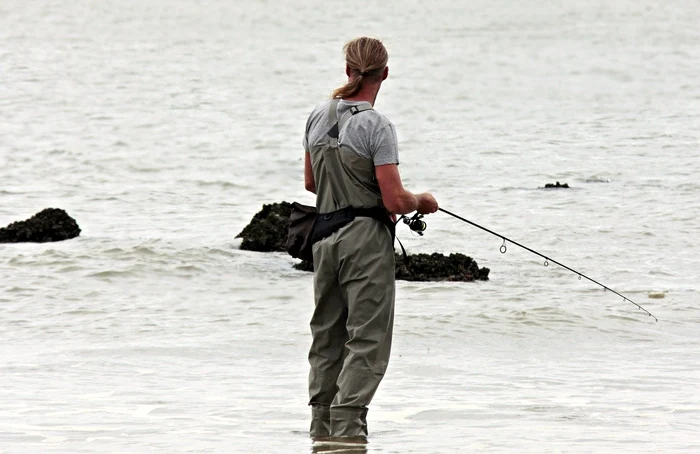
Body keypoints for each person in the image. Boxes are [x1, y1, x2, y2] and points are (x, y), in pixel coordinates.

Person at [302, 37, 439, 440]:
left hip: (323, 238)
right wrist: (424, 202)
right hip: (364, 240)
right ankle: (347, 430)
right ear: (385, 74)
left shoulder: (316, 115)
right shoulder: (376, 125)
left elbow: (312, 184)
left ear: (348, 70)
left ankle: (320, 430)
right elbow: (395, 198)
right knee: (367, 339)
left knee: (327, 335)